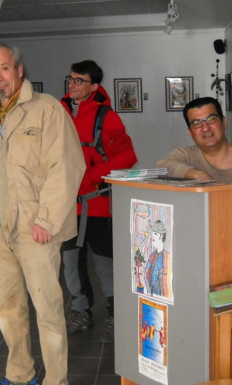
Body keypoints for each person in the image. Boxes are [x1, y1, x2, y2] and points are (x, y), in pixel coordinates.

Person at [0, 42, 85, 385]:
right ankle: (19, 374)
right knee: (8, 310)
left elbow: (66, 168)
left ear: (18, 69)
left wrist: (47, 219)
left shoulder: (47, 110)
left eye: (4, 68)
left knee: (47, 310)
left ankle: (56, 380)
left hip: (36, 231)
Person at [60, 60, 137, 342]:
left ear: (94, 86)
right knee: (71, 263)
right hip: (66, 206)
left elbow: (128, 157)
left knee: (106, 264)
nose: (72, 84)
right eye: (71, 79)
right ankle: (80, 310)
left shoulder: (107, 117)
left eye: (79, 80)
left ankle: (116, 313)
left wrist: (91, 176)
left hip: (98, 204)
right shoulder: (58, 112)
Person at [156, 96, 232, 187]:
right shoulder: (187, 155)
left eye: (211, 119)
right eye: (196, 123)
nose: (205, 128)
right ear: (190, 132)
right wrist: (196, 174)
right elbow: (162, 165)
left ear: (224, 123)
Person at [144, 220, 170, 297]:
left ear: (162, 236)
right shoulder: (152, 256)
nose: (153, 236)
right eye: (153, 233)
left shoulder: (167, 258)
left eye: (155, 233)